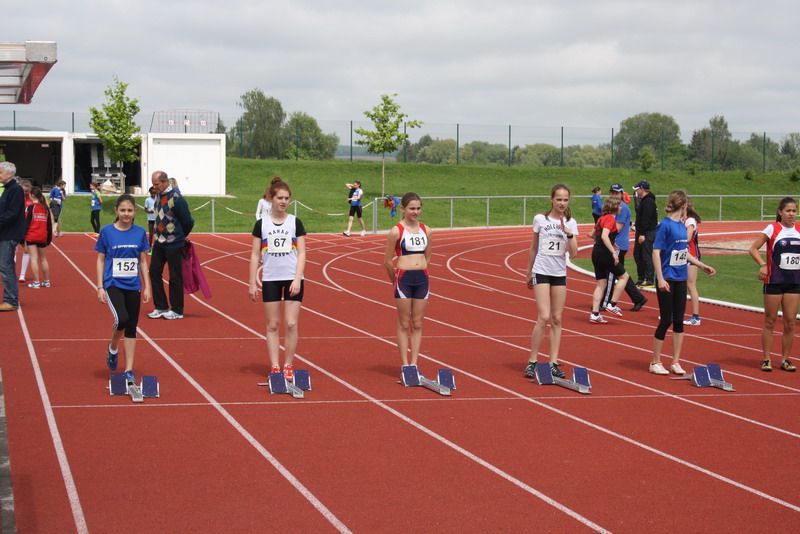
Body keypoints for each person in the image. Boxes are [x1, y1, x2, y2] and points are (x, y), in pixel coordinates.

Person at [649, 190, 715, 375]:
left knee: (679, 321)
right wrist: (660, 278)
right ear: (684, 206)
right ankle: (655, 361)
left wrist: (701, 265)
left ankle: (675, 362)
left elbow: (684, 253)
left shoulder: (681, 226)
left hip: (680, 278)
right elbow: (656, 252)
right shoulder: (665, 225)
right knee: (666, 320)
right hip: (667, 278)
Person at [248, 177, 307, 380]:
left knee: (291, 324)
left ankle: (288, 364)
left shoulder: (295, 222)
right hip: (270, 279)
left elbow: (302, 253)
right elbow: (255, 254)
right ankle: (275, 366)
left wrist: (297, 279)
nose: (283, 202)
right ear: (271, 199)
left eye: (286, 198)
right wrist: (252, 283)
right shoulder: (261, 224)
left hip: (292, 278)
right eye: (280, 198)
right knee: (272, 325)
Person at [523, 184, 579, 379]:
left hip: (559, 273)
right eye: (559, 199)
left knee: (556, 318)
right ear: (552, 200)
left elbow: (574, 253)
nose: (562, 203)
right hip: (541, 271)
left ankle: (553, 362)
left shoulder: (571, 222)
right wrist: (528, 271)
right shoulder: (541, 219)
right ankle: (532, 361)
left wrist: (569, 233)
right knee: (544, 316)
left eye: (565, 200)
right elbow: (533, 247)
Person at [95, 194, 152, 385]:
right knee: (122, 318)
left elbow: (142, 261)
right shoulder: (107, 231)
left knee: (132, 328)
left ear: (135, 212)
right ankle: (113, 347)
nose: (126, 214)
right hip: (113, 283)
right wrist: (100, 286)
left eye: (129, 210)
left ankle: (128, 370)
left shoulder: (140, 232)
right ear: (116, 211)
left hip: (133, 285)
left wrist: (147, 286)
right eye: (123, 210)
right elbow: (101, 259)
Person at [748, 197, 799, 372]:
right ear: (780, 212)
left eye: (794, 211)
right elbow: (753, 249)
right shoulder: (773, 228)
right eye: (788, 211)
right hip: (774, 281)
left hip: (794, 282)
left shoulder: (799, 229)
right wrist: (763, 264)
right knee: (770, 321)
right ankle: (766, 359)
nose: (791, 214)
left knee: (790, 322)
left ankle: (785, 359)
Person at [384, 192, 432, 370]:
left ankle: (414, 364)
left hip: (422, 279)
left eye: (418, 208)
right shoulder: (396, 231)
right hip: (403, 279)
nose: (415, 212)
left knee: (417, 323)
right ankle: (405, 365)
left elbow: (428, 257)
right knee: (404, 323)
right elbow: (388, 261)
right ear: (403, 209)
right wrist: (395, 281)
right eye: (412, 208)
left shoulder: (427, 230)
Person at [148, 170, 194, 320]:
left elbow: (188, 221)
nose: (154, 187)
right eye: (153, 184)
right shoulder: (157, 196)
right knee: (154, 272)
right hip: (159, 242)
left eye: (157, 184)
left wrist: (180, 236)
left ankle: (177, 310)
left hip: (174, 243)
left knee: (175, 276)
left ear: (165, 181)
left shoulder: (176, 198)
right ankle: (161, 306)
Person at [601, 183, 647, 311]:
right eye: (612, 192)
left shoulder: (622, 208)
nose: (614, 195)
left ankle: (605, 302)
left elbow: (617, 228)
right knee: (620, 273)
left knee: (611, 274)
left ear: (622, 194)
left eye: (617, 193)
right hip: (616, 244)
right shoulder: (613, 207)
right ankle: (638, 298)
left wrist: (604, 231)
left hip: (618, 245)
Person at [590, 196, 629, 323]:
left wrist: (612, 244)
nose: (621, 207)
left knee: (601, 284)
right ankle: (612, 304)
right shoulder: (610, 219)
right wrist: (613, 252)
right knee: (624, 277)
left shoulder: (601, 218)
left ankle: (595, 313)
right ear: (614, 207)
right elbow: (604, 236)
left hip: (596, 253)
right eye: (619, 205)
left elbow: (592, 234)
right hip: (605, 254)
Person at [0, 161, 26, 311]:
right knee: (4, 266)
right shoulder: (7, 189)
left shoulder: (15, 190)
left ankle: (11, 300)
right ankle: (9, 298)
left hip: (9, 234)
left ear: (9, 174)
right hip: (4, 233)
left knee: (6, 266)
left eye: (0, 172)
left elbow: (12, 213)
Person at [23, 187, 53, 289]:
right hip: (42, 236)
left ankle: (36, 282)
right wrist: (49, 238)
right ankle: (47, 281)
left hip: (32, 236)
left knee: (34, 258)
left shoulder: (31, 208)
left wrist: (22, 238)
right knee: (43, 259)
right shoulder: (45, 208)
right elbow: (49, 225)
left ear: (32, 195)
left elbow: (26, 224)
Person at [633, 180, 658, 288]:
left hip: (647, 232)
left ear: (642, 189)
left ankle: (649, 279)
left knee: (646, 255)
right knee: (638, 255)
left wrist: (642, 234)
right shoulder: (644, 200)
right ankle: (641, 278)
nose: (636, 192)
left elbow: (646, 218)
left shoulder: (648, 202)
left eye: (637, 189)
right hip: (642, 231)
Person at [683, 199, 703, 325]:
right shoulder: (681, 220)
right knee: (679, 285)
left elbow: (688, 237)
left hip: (692, 255)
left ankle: (696, 317)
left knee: (691, 285)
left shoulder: (690, 221)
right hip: (681, 256)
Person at [17, 179, 33, 282]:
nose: (25, 193)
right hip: (16, 226)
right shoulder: (16, 197)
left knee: (26, 250)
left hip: (27, 227)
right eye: (23, 191)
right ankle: (11, 273)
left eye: (27, 191)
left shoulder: (31, 199)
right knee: (13, 250)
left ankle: (22, 274)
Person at [144, 186, 157, 253]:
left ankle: (157, 248)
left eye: (155, 193)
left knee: (158, 234)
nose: (153, 195)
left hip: (158, 219)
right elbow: (145, 209)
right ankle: (150, 248)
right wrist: (149, 211)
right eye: (152, 193)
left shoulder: (158, 199)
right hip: (151, 219)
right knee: (151, 233)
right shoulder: (147, 200)